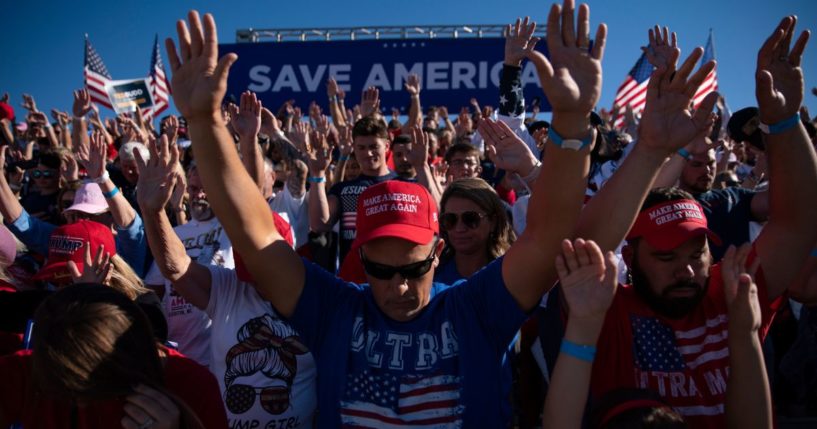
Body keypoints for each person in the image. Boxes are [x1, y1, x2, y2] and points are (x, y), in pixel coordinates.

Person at [165, 1, 603, 425]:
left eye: (415, 268)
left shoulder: (473, 307)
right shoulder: (335, 309)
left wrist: (572, 120)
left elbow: (549, 235)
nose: (400, 287)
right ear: (359, 252)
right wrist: (204, 122)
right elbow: (255, 236)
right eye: (379, 268)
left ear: (438, 249)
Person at [559, 17, 816, 428]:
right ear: (631, 256)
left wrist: (784, 121)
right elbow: (582, 246)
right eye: (665, 255)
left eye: (698, 251)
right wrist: (651, 149)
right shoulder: (605, 308)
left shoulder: (732, 292)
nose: (687, 268)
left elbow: (799, 221)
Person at [136, 136, 316, 427]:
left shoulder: (319, 295)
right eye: (250, 269)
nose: (258, 279)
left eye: (267, 270)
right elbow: (177, 267)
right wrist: (153, 212)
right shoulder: (231, 288)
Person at [0, 284, 227, 428]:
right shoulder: (29, 369)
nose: (80, 403)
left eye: (86, 390)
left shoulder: (191, 385)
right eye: (65, 391)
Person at [143, 160, 234, 368]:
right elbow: (152, 291)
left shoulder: (231, 230)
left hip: (222, 358)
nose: (199, 195)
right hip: (179, 356)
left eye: (206, 190)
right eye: (194, 189)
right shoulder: (175, 234)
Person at [434, 177, 516, 284]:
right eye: (450, 219)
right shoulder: (431, 272)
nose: (459, 229)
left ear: (493, 222)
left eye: (470, 219)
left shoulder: (512, 274)